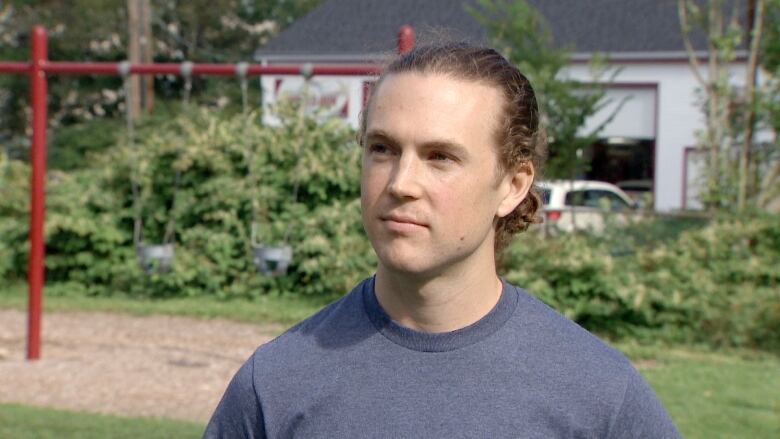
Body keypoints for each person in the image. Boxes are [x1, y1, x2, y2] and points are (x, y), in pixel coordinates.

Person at [203, 43, 681, 438]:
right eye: (383, 149)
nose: (401, 182)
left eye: (440, 157)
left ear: (513, 186)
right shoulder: (275, 384)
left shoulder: (599, 395)